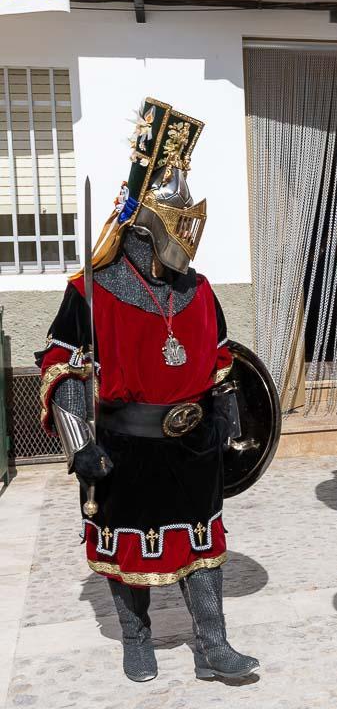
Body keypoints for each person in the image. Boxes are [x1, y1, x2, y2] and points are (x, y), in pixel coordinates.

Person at [35, 98, 258, 683]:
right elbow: (63, 363)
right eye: (176, 216)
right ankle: (137, 637)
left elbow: (219, 358)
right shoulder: (94, 290)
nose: (189, 230)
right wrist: (80, 442)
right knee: (128, 548)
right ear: (146, 220)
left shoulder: (200, 289)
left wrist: (229, 417)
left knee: (201, 545)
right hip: (124, 443)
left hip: (192, 445)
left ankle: (214, 645)